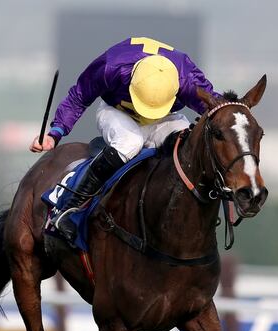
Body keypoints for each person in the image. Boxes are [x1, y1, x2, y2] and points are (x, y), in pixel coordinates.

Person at [30, 37, 221, 244]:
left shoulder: (187, 77)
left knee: (188, 143)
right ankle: (70, 209)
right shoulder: (111, 66)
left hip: (163, 117)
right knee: (130, 142)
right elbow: (79, 96)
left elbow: (217, 109)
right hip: (117, 110)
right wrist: (55, 133)